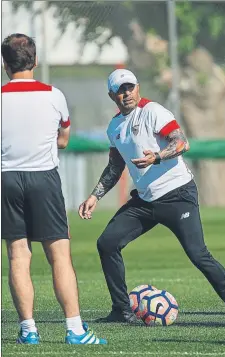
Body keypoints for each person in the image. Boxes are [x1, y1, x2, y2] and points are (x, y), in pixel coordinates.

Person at [78, 68, 225, 325]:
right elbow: (115, 166)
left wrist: (157, 156)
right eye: (120, 90)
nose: (127, 93)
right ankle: (122, 311)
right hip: (145, 201)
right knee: (107, 243)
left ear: (138, 88)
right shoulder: (115, 126)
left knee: (198, 254)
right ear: (111, 95)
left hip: (177, 195)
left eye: (130, 87)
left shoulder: (153, 111)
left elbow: (182, 143)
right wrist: (95, 196)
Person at [1, 34, 106, 344]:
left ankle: (28, 330)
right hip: (43, 178)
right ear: (35, 61)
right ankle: (74, 330)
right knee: (59, 255)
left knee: (18, 256)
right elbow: (63, 138)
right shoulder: (53, 95)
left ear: (5, 65)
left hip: (6, 178)